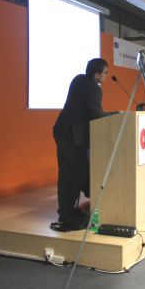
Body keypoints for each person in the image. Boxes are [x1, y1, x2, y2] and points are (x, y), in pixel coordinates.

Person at [51, 58, 119, 232]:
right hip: (72, 135)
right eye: (105, 73)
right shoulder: (93, 87)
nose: (107, 75)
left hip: (61, 131)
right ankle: (69, 214)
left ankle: (66, 213)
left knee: (66, 173)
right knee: (80, 171)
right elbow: (96, 115)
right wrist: (117, 114)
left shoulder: (78, 79)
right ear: (97, 75)